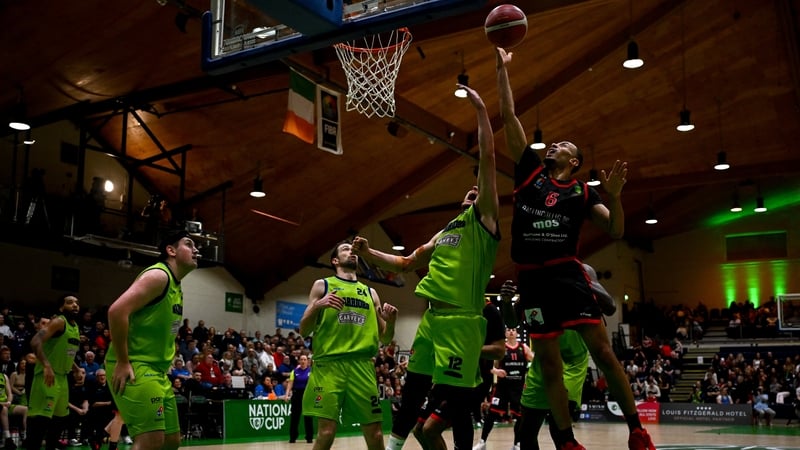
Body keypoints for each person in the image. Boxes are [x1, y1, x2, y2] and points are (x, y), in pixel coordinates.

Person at [495, 47, 654, 450]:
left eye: (562, 145)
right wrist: (502, 70)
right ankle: (565, 441)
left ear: (575, 160)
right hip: (532, 278)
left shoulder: (584, 191)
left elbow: (616, 231)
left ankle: (636, 429)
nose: (553, 147)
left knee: (602, 350)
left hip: (567, 273)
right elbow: (509, 118)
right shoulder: (529, 174)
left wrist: (615, 198)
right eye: (552, 145)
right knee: (547, 362)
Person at [353, 83, 500, 450]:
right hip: (432, 320)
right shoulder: (446, 231)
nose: (473, 194)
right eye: (468, 194)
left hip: (462, 322)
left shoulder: (485, 225)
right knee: (415, 384)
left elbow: (488, 160)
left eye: (477, 192)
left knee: (457, 402)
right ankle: (394, 446)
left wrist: (482, 112)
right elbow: (405, 263)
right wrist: (370, 254)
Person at [298, 240, 398, 450]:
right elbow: (304, 330)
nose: (351, 251)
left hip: (362, 367)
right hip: (329, 366)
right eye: (345, 249)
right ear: (335, 260)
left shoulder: (370, 293)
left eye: (353, 250)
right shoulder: (322, 285)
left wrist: (392, 322)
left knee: (375, 432)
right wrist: (318, 305)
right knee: (326, 433)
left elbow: (386, 338)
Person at [105, 229, 200, 450]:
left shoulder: (176, 286)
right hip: (135, 366)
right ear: (171, 250)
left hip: (158, 372)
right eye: (188, 244)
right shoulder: (159, 276)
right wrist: (122, 360)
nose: (196, 250)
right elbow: (116, 312)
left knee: (171, 442)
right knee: (150, 442)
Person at [26, 294, 82, 450]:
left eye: (77, 303)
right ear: (61, 307)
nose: (75, 305)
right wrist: (46, 365)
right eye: (70, 302)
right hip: (48, 376)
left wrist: (76, 369)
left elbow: (65, 352)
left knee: (59, 422)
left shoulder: (75, 327)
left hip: (63, 378)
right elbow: (35, 341)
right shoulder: (58, 321)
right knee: (40, 422)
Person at [473, 325, 532, 450]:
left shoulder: (523, 348)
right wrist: (496, 371)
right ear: (505, 333)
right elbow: (489, 366)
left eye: (513, 330)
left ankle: (517, 443)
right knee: (491, 414)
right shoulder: (501, 349)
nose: (511, 332)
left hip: (518, 389)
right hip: (502, 388)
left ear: (517, 333)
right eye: (508, 330)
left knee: (521, 417)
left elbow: (536, 362)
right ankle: (482, 441)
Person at [285, 354, 313, 444]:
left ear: (307, 361)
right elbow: (290, 383)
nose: (303, 361)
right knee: (295, 417)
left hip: (307, 395)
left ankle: (309, 437)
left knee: (308, 417)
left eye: (305, 359)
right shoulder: (295, 371)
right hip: (297, 395)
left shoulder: (311, 371)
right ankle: (293, 437)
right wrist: (286, 394)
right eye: (301, 359)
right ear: (299, 361)